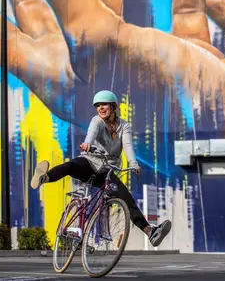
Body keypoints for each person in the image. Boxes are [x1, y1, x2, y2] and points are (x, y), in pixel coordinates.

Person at [30, 90, 172, 247]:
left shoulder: (124, 126)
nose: (101, 108)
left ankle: (150, 232)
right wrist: (87, 144)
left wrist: (133, 164)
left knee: (125, 198)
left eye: (104, 104)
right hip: (89, 162)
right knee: (70, 165)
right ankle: (44, 177)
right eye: (98, 106)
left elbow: (128, 146)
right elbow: (91, 134)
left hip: (107, 170)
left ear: (113, 106)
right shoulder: (96, 121)